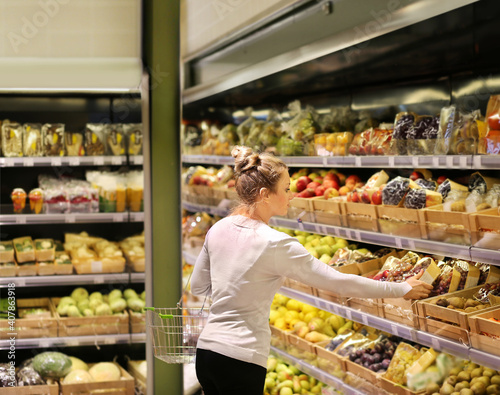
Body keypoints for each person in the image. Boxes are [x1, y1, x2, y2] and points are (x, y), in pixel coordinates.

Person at [191, 146, 433, 395]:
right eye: (286, 189)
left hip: (207, 353)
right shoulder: (275, 244)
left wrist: (237, 284)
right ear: (264, 194)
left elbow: (198, 286)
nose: (292, 195)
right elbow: (338, 283)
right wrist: (402, 288)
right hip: (241, 358)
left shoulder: (218, 228)